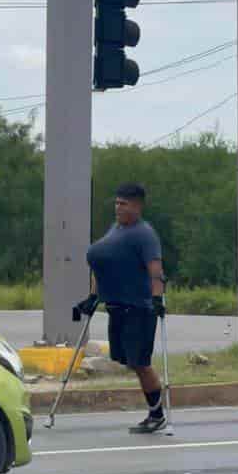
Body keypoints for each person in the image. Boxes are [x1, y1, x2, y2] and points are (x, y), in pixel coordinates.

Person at [75, 182, 168, 434]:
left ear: (137, 206)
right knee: (126, 360)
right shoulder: (115, 229)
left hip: (138, 309)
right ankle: (155, 409)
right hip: (116, 307)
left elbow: (155, 270)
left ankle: (157, 414)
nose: (118, 207)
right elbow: (102, 265)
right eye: (116, 203)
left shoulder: (144, 234)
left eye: (123, 203)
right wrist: (93, 296)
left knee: (140, 362)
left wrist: (157, 299)